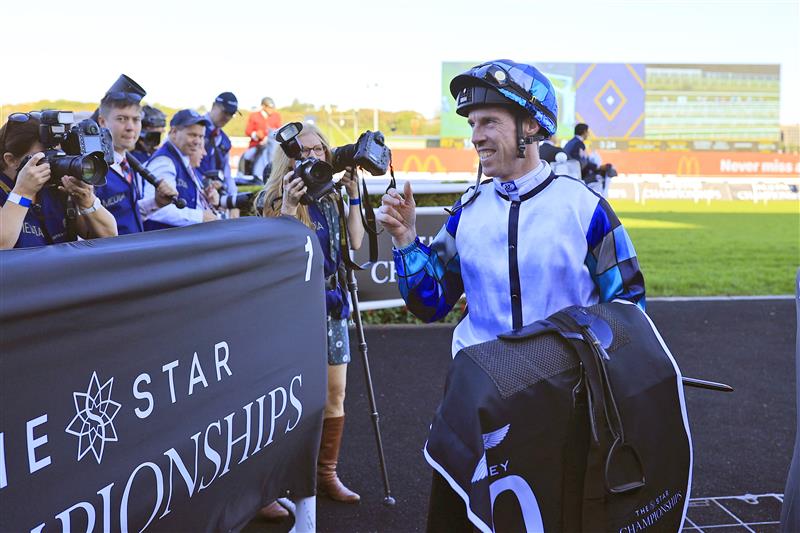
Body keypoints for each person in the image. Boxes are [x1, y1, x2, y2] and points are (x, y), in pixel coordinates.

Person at [376, 59, 645, 529]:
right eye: (473, 124)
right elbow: (430, 303)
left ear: (533, 126)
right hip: (477, 404)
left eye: (489, 122)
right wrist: (405, 240)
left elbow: (629, 313)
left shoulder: (588, 209)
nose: (475, 136)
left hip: (562, 408)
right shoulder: (467, 211)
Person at [258, 122, 364, 513]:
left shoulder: (331, 195)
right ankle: (271, 484)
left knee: (335, 394)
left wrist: (353, 197)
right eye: (302, 151)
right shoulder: (271, 199)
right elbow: (275, 255)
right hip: (291, 310)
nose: (312, 157)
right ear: (287, 157)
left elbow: (354, 243)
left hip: (332, 305)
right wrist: (288, 207)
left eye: (319, 150)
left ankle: (325, 473)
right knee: (286, 399)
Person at [0, 113, 117, 249]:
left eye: (58, 154)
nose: (54, 163)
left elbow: (110, 237)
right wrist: (22, 193)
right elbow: (2, 245)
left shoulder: (57, 189)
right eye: (46, 156)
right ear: (11, 160)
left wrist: (88, 202)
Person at [95, 74, 178, 235]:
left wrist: (156, 203)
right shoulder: (92, 169)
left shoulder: (126, 164)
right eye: (121, 119)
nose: (130, 127)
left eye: (136, 119)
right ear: (102, 122)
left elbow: (125, 214)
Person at [142, 109, 220, 229]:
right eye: (192, 135)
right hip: (165, 243)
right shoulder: (165, 161)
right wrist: (200, 217)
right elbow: (157, 210)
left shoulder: (180, 158)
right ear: (173, 132)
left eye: (201, 136)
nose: (198, 141)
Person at [200, 92, 239, 202]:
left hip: (214, 196)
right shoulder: (193, 128)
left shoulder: (225, 141)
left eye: (231, 114)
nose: (227, 117)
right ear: (213, 106)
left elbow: (227, 173)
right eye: (225, 112)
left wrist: (233, 200)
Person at [243, 97, 281, 178]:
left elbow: (278, 130)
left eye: (272, 107)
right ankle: (247, 174)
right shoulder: (254, 116)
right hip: (257, 144)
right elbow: (248, 131)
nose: (271, 109)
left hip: (272, 143)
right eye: (269, 107)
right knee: (248, 155)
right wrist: (255, 134)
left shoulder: (276, 116)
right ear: (263, 106)